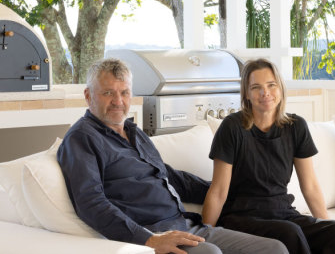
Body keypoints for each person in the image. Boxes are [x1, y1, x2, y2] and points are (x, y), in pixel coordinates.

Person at [57, 58, 288, 254]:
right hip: (153, 234)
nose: (118, 101)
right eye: (108, 93)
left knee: (275, 249)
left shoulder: (134, 132)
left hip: (187, 225)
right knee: (210, 253)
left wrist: (232, 190)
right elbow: (90, 203)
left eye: (124, 92)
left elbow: (172, 178)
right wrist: (149, 239)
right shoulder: (81, 138)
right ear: (88, 95)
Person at [202, 58, 335, 254]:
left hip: (283, 213)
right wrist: (205, 234)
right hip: (241, 217)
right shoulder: (232, 127)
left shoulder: (296, 126)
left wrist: (324, 225)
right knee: (290, 233)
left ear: (280, 88)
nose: (265, 93)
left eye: (271, 85)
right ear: (246, 94)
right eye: (256, 87)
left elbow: (311, 186)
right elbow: (219, 191)